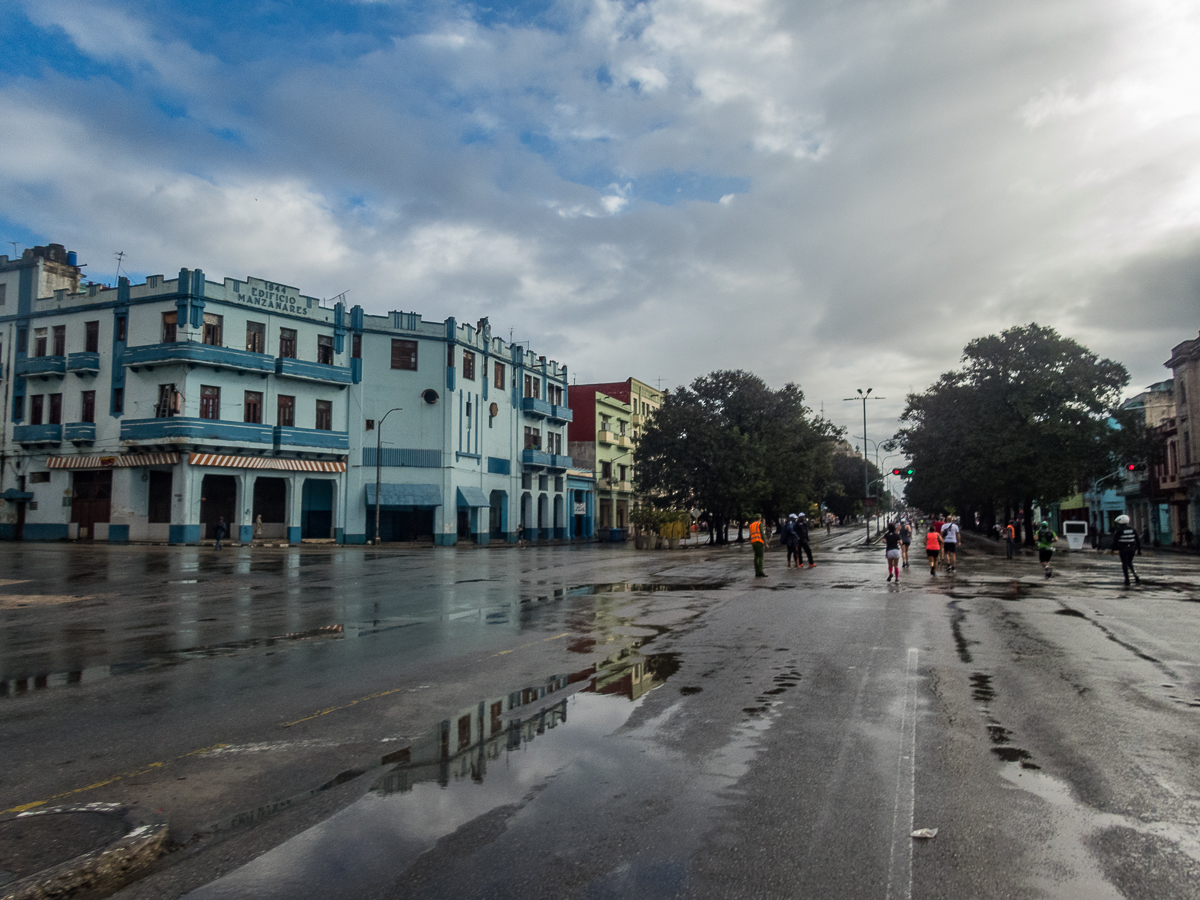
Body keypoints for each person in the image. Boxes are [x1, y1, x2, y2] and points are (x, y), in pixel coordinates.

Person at [1110, 514, 1141, 585]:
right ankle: (1135, 576)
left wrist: (1112, 549)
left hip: (1123, 549)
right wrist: (1139, 550)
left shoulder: (1119, 530)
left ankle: (1127, 579)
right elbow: (1137, 540)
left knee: (1124, 564)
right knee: (1130, 563)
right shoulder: (1133, 529)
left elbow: (1115, 540)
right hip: (1132, 549)